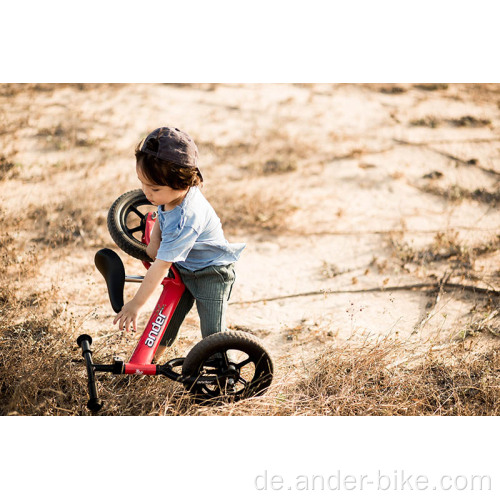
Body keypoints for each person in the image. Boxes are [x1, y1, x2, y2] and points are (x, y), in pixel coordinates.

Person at [113, 126, 245, 360]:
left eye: (154, 188)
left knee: (213, 333)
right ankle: (150, 361)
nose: (146, 193)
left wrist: (135, 304)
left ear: (183, 184)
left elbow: (161, 266)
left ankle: (225, 375)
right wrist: (154, 241)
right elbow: (162, 215)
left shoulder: (188, 218)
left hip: (211, 273)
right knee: (166, 319)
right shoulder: (170, 197)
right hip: (185, 267)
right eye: (142, 184)